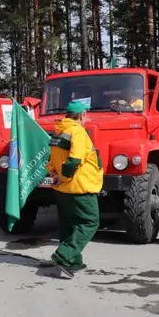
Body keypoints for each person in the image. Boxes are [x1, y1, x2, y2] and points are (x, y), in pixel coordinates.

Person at [46, 101, 103, 279]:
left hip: (63, 188)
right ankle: (63, 256)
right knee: (90, 222)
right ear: (82, 114)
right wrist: (66, 177)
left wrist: (55, 174)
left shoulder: (59, 130)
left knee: (69, 224)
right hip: (79, 186)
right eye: (86, 115)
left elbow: (52, 158)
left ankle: (73, 261)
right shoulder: (77, 132)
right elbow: (74, 159)